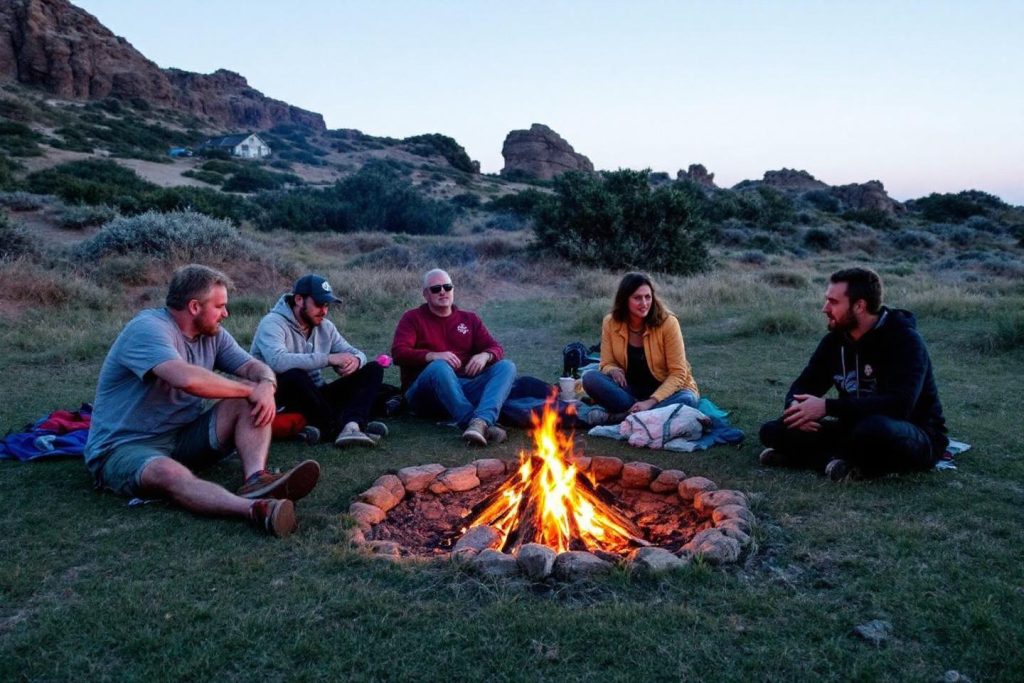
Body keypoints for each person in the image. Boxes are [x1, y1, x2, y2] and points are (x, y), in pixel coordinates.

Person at [84, 264, 320, 537]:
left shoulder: (213, 335)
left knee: (249, 397)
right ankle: (256, 509)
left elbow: (255, 367)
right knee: (168, 473)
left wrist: (266, 385)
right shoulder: (148, 329)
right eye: (220, 306)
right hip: (125, 447)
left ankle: (256, 479)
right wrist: (248, 389)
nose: (225, 314)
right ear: (194, 307)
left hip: (182, 437)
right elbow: (187, 379)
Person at [758, 267, 948, 481]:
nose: (824, 308)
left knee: (872, 430)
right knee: (772, 430)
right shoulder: (835, 341)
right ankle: (835, 463)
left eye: (834, 302)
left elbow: (900, 406)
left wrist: (827, 407)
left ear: (859, 306)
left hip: (911, 433)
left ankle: (804, 458)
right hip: (853, 427)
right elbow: (805, 384)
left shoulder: (905, 341)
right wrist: (795, 409)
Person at [250, 274, 386, 448]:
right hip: (278, 398)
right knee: (294, 375)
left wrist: (356, 362)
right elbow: (278, 361)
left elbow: (355, 352)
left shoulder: (325, 326)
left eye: (327, 305)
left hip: (315, 396)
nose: (324, 311)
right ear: (299, 299)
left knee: (373, 369)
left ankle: (352, 425)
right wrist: (328, 359)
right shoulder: (272, 323)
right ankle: (339, 428)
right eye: (319, 304)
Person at [391, 268, 516, 446]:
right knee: (440, 366)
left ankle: (481, 422)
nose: (443, 291)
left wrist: (485, 355)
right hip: (423, 394)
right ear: (425, 294)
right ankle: (470, 421)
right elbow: (398, 353)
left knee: (507, 366)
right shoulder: (412, 318)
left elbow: (495, 347)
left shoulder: (469, 319)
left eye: (447, 287)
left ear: (453, 290)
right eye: (435, 289)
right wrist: (432, 355)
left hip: (461, 387)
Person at [582, 272, 699, 425]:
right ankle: (643, 416)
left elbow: (678, 373)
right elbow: (605, 363)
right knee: (590, 378)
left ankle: (621, 418)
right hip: (631, 393)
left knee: (687, 399)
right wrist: (612, 370)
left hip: (667, 393)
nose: (644, 303)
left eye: (647, 297)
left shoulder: (668, 323)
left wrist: (650, 402)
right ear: (625, 300)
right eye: (637, 298)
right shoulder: (610, 322)